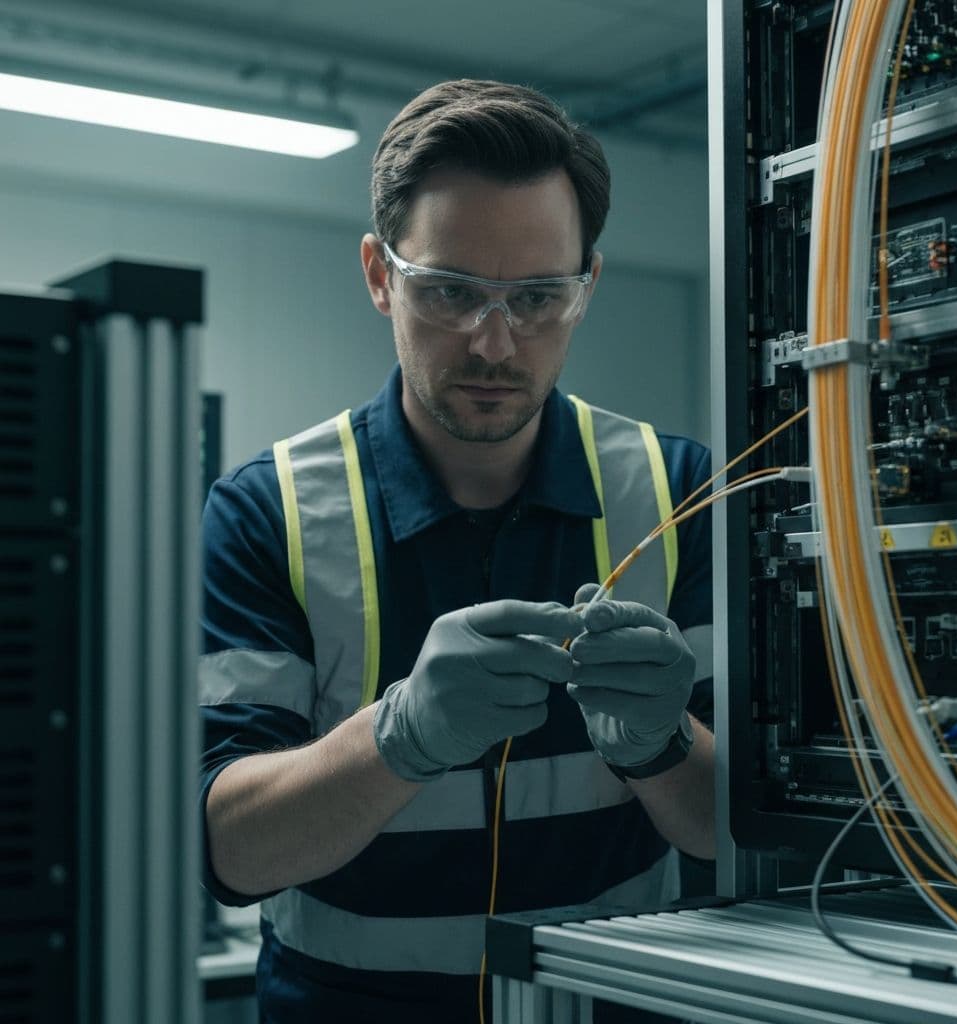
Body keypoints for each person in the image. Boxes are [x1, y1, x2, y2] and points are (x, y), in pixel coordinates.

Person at [200, 78, 715, 1023]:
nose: (495, 340)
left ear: (587, 287)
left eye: (538, 297)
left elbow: (748, 832)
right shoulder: (266, 509)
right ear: (379, 275)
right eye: (451, 292)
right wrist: (397, 740)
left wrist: (664, 747)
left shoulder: (678, 492)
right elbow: (229, 852)